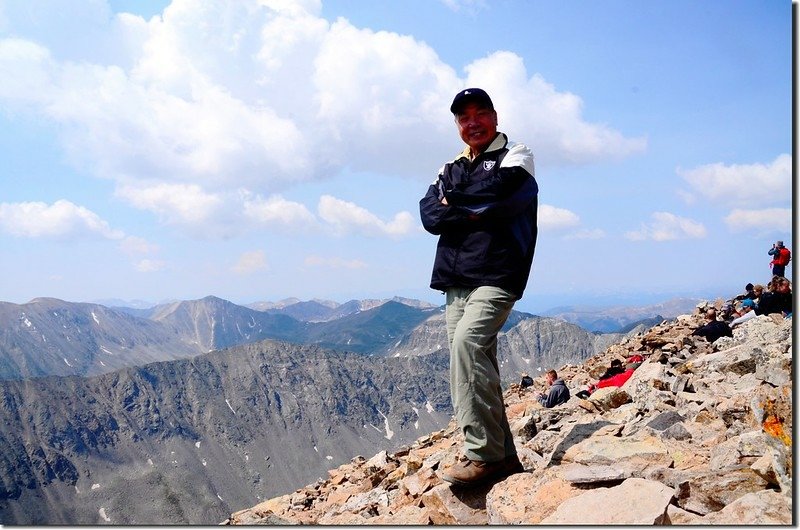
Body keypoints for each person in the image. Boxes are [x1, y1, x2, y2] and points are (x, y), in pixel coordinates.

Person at [419, 87, 538, 487]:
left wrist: (457, 204)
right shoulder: (449, 167)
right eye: (463, 117)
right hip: (456, 279)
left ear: (495, 116)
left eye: (480, 113)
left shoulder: (516, 156)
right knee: (476, 361)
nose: (473, 123)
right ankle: (504, 457)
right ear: (457, 125)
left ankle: (482, 455)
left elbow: (503, 200)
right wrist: (468, 209)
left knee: (466, 348)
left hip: (499, 274)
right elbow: (429, 215)